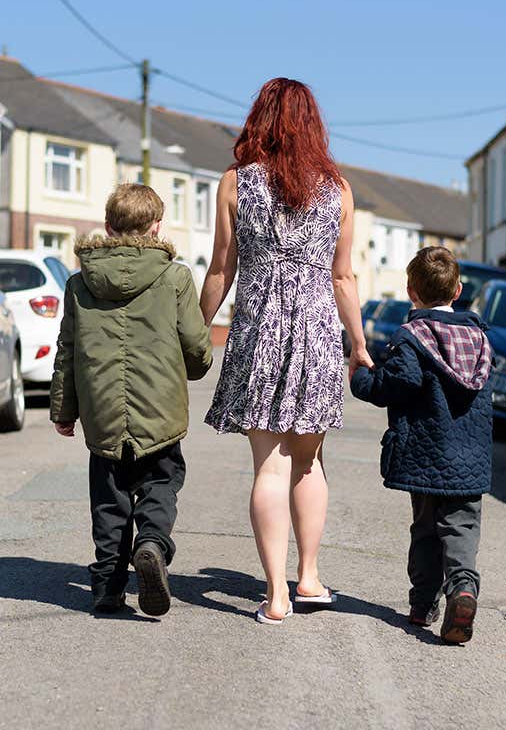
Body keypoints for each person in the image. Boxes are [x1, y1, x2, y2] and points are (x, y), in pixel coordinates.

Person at [200, 77, 373, 624]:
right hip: (318, 333)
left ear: (260, 119)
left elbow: (221, 269)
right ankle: (310, 577)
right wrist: (359, 343)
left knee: (268, 468)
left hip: (256, 334)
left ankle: (275, 594)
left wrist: (195, 330)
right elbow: (343, 276)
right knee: (309, 461)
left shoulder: (234, 183)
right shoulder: (338, 190)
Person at [50, 183, 213, 617]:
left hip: (101, 411)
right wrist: (194, 369)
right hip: (160, 411)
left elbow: (67, 349)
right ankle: (152, 544)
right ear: (157, 227)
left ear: (108, 226)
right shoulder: (175, 276)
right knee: (160, 482)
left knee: (109, 497)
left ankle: (106, 586)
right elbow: (195, 344)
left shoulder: (79, 282)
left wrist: (64, 411)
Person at [349, 247, 493, 644]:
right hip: (470, 460)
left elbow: (399, 382)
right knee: (461, 529)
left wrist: (361, 377)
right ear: (459, 290)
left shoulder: (413, 337)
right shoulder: (481, 340)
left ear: (411, 291)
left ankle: (422, 605)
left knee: (427, 530)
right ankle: (463, 590)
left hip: (427, 455)